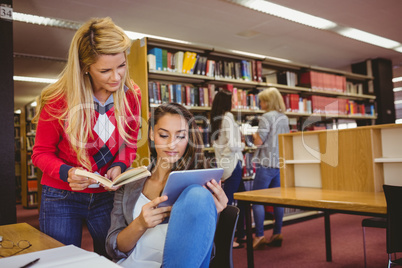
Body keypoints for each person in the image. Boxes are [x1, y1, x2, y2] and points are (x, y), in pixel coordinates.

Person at [31, 17, 141, 257]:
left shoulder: (132, 95)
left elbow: (130, 141)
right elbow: (40, 153)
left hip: (106, 196)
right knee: (61, 260)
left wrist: (121, 164)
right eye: (105, 70)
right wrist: (67, 173)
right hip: (61, 196)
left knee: (114, 258)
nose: (116, 77)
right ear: (84, 66)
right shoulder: (58, 98)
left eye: (121, 66)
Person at [106, 103, 228, 267]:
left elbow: (205, 246)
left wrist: (214, 212)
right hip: (131, 263)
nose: (172, 144)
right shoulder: (129, 182)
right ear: (151, 133)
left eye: (180, 136)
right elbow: (113, 248)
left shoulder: (202, 183)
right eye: (164, 135)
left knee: (198, 195)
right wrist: (140, 224)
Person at [251, 87, 289, 250]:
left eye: (261, 100)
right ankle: (277, 233)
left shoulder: (266, 117)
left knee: (256, 200)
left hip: (266, 163)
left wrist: (252, 134)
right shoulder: (284, 118)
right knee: (277, 200)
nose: (260, 103)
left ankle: (259, 236)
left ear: (268, 101)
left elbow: (259, 141)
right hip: (279, 163)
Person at [210, 89, 246, 248]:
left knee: (243, 200)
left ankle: (241, 234)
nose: (233, 103)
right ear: (226, 102)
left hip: (224, 165)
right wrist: (243, 145)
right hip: (233, 165)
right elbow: (232, 146)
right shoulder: (228, 117)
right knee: (228, 203)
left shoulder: (216, 120)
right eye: (231, 100)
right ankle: (226, 240)